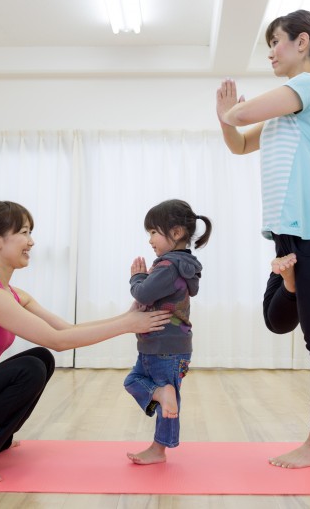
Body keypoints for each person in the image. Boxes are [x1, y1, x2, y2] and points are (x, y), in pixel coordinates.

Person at [0, 200, 171, 484]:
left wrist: (128, 317)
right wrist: (126, 326)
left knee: (41, 359)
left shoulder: (8, 292)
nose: (31, 242)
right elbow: (57, 340)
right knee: (29, 367)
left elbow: (68, 329)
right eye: (23, 232)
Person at [215, 10, 310, 469]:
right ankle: (293, 284)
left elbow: (241, 113)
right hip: (289, 231)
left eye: (274, 42)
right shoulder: (284, 113)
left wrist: (229, 112)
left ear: (302, 43)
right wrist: (225, 119)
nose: (271, 52)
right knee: (277, 320)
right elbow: (237, 142)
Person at [123, 199, 212, 465]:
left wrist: (137, 278)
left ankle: (159, 449)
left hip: (162, 344)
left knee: (158, 392)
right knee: (143, 385)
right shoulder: (183, 265)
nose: (150, 239)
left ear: (176, 233)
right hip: (171, 346)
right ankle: (161, 414)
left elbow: (142, 293)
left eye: (153, 232)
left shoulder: (166, 266)